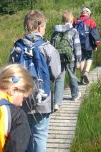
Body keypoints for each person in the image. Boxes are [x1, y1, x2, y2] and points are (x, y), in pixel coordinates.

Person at [9, 10, 61, 152]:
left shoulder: (17, 49)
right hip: (42, 99)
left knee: (26, 135)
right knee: (40, 134)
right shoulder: (47, 48)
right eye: (44, 27)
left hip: (21, 100)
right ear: (39, 26)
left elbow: (10, 74)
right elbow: (56, 73)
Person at [51, 10, 82, 111]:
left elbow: (51, 46)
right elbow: (77, 47)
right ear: (71, 20)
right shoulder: (73, 31)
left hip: (58, 58)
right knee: (72, 75)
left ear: (62, 20)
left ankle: (57, 102)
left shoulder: (55, 31)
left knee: (59, 78)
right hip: (70, 58)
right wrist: (79, 61)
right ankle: (75, 94)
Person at [73, 7, 100, 84]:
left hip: (77, 43)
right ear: (88, 13)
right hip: (88, 43)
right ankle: (86, 72)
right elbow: (94, 34)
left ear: (82, 13)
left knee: (81, 59)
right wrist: (96, 44)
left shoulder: (75, 21)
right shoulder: (91, 21)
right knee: (89, 57)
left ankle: (82, 77)